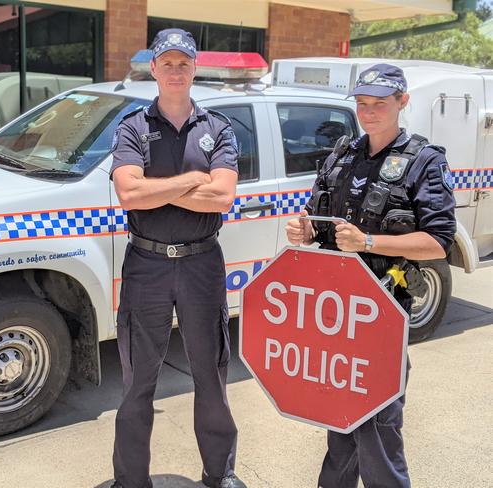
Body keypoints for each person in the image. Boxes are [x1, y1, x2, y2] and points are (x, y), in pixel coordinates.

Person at [286, 63, 456, 488]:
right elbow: (319, 221)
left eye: (380, 103)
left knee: (378, 425)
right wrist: (304, 230)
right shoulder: (342, 155)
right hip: (336, 313)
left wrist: (369, 243)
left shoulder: (424, 161)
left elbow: (439, 242)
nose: (369, 112)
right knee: (340, 419)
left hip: (382, 310)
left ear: (402, 102)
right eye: (362, 104)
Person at [109, 28, 246, 488]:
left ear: (194, 68)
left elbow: (223, 197)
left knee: (211, 374)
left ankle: (219, 473)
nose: (174, 70)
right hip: (145, 265)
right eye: (166, 62)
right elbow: (129, 193)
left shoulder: (218, 128)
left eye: (182, 63)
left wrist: (159, 190)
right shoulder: (132, 127)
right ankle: (131, 480)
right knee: (137, 382)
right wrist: (190, 182)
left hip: (201, 264)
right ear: (153, 68)